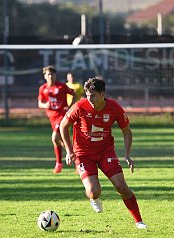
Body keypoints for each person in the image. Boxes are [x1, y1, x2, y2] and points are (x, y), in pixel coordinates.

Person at [60, 77, 147, 229]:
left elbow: (127, 132)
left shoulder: (114, 108)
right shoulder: (80, 106)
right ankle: (94, 198)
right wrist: (68, 150)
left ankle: (139, 221)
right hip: (83, 154)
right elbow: (63, 126)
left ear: (102, 94)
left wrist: (127, 155)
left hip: (106, 152)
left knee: (122, 187)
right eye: (87, 95)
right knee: (94, 192)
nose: (89, 98)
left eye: (93, 95)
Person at [38, 65, 77, 174]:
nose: (50, 76)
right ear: (45, 76)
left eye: (52, 74)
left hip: (62, 116)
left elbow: (74, 95)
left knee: (54, 137)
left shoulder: (62, 86)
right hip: (52, 117)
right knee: (61, 141)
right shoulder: (43, 88)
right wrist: (46, 105)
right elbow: (40, 103)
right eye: (48, 74)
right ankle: (77, 160)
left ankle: (58, 164)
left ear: (55, 75)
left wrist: (70, 106)